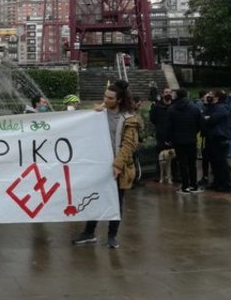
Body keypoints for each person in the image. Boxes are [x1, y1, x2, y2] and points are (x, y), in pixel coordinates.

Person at [72, 80, 139, 249]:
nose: (106, 99)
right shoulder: (99, 113)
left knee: (116, 201)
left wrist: (117, 165)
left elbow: (128, 145)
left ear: (119, 100)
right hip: (98, 166)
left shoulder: (129, 120)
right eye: (105, 96)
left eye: (110, 97)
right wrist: (91, 114)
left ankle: (112, 235)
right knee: (94, 198)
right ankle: (89, 232)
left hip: (118, 167)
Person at [166, 88, 204, 194]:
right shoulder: (194, 108)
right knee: (192, 163)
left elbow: (169, 126)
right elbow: (200, 124)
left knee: (182, 163)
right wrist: (193, 132)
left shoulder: (172, 109)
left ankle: (185, 186)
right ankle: (194, 185)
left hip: (178, 140)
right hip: (191, 139)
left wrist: (169, 138)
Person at [203, 89, 231, 193]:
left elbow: (211, 120)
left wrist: (207, 118)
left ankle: (226, 184)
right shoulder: (212, 107)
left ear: (217, 97)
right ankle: (217, 182)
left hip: (219, 138)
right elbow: (204, 118)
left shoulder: (221, 108)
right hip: (212, 137)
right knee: (214, 163)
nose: (208, 96)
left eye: (211, 94)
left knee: (221, 163)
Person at [149, 87, 174, 180]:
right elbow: (153, 118)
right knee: (160, 156)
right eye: (166, 92)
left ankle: (174, 174)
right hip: (161, 134)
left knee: (174, 156)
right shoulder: (157, 107)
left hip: (173, 134)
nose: (168, 94)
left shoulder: (174, 106)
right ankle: (159, 175)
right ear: (163, 94)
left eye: (170, 92)